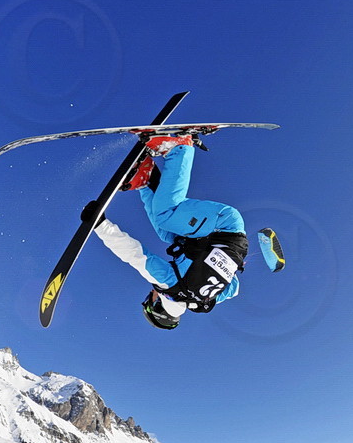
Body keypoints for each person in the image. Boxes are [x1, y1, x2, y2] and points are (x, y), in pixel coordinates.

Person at [84, 135, 249, 330]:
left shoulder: (203, 302)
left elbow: (234, 289)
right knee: (166, 215)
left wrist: (232, 265)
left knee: (167, 233)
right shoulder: (170, 285)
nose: (151, 293)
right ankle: (180, 149)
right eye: (150, 299)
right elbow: (134, 254)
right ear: (157, 306)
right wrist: (100, 225)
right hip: (223, 224)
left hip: (219, 234)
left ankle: (146, 178)